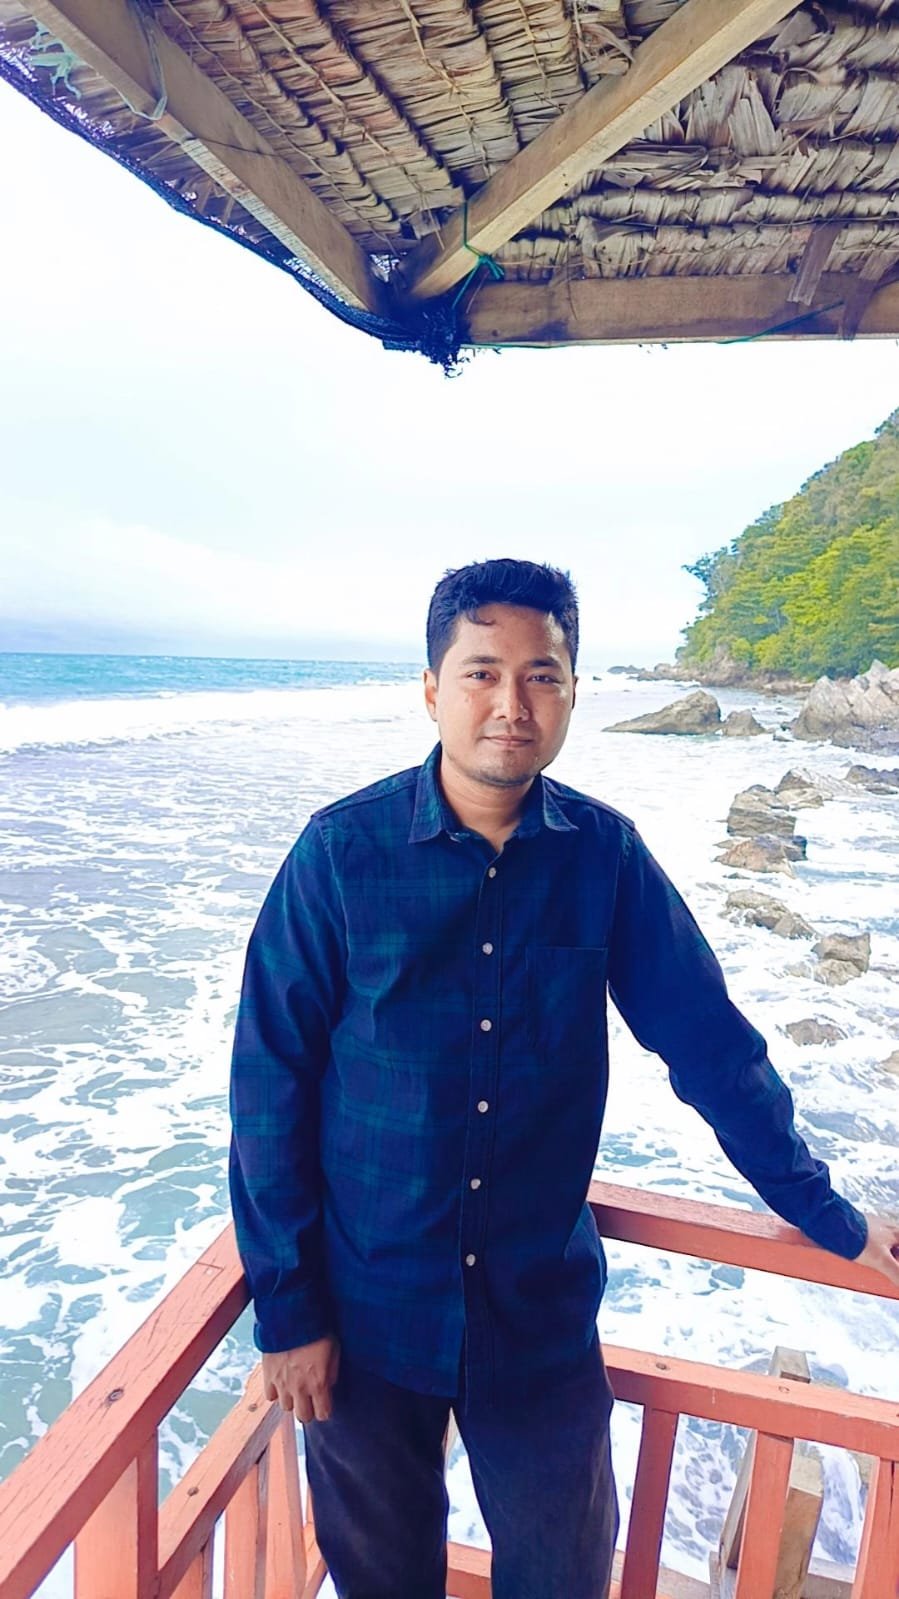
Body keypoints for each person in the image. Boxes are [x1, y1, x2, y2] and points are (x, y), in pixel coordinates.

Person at [229, 558, 899, 1599]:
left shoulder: (603, 858)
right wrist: (288, 1313)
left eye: (540, 676)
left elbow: (709, 1049)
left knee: (564, 1577)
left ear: (573, 691)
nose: (511, 704)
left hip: (535, 1321)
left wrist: (825, 1214)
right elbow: (269, 1086)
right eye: (481, 673)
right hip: (366, 1320)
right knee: (382, 1583)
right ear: (431, 689)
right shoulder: (341, 856)